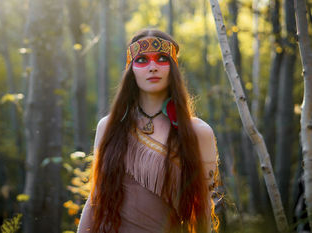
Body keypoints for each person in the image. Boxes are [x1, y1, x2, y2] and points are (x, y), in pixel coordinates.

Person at [77, 29, 219, 233]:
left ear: (173, 68)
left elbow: (203, 211)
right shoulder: (108, 126)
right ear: (131, 70)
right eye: (142, 60)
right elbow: (95, 198)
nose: (152, 67)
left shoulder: (198, 132)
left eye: (161, 59)